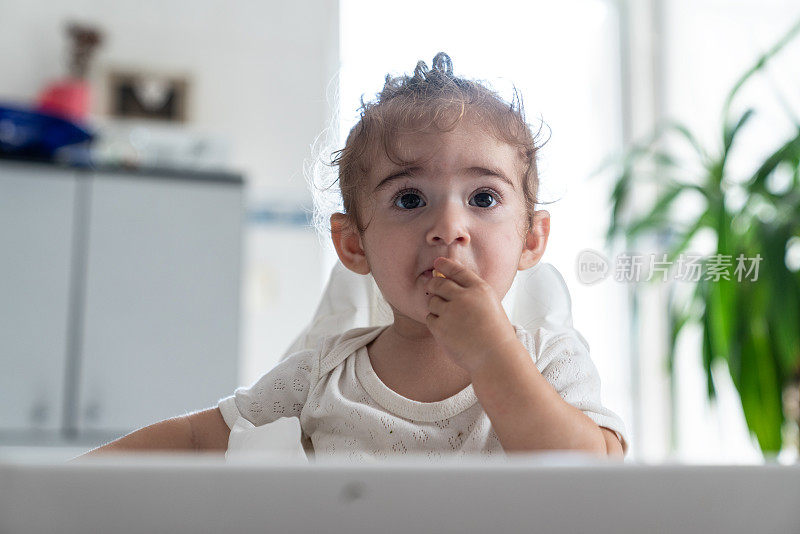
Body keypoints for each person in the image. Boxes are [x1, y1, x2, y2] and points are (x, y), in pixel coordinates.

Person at [80, 52, 627, 461]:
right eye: (410, 199)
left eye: (483, 198)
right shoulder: (325, 375)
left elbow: (593, 473)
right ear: (354, 244)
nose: (448, 228)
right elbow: (202, 439)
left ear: (531, 239)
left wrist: (494, 354)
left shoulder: (550, 360)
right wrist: (68, 478)